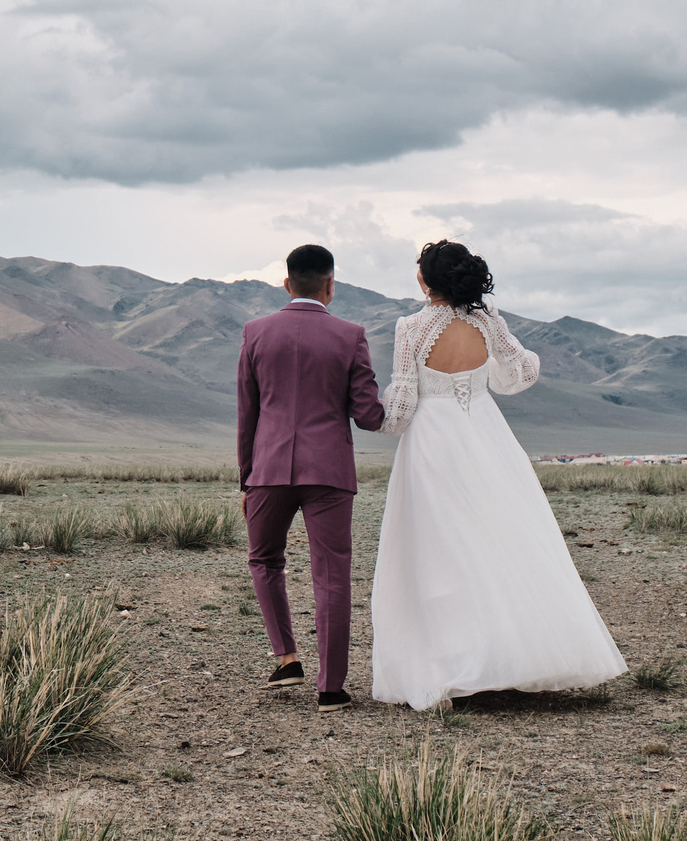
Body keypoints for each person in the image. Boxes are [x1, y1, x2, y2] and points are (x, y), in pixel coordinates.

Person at [370, 239, 626, 710]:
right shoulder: (489, 322)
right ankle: (512, 659)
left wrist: (374, 416)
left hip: (432, 442)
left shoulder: (410, 328)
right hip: (487, 436)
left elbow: (402, 406)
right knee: (503, 541)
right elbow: (521, 373)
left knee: (440, 551)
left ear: (427, 281)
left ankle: (456, 664)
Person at [236, 243, 386, 710]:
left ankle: (287, 657)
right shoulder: (351, 335)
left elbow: (248, 413)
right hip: (330, 471)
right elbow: (368, 416)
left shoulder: (255, 332)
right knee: (332, 574)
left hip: (269, 468)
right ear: (330, 285)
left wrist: (247, 479)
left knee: (264, 561)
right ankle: (331, 688)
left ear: (286, 283)